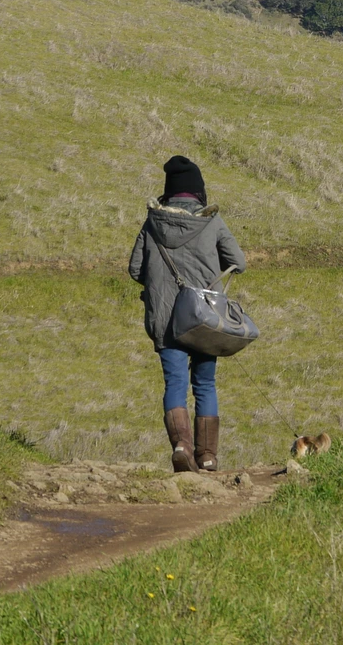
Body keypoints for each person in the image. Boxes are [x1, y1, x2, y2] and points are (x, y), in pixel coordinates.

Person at [128, 155, 246, 473]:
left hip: (166, 319)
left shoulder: (152, 223)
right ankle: (207, 456)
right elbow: (240, 261)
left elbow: (136, 268)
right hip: (206, 317)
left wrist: (161, 281)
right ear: (198, 191)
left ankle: (182, 447)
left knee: (175, 383)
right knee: (205, 384)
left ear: (169, 192)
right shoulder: (212, 222)